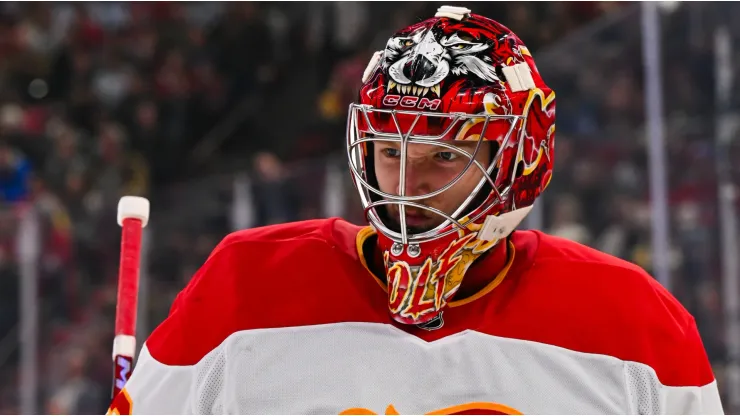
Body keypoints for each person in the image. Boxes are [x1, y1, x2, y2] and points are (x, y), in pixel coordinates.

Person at [107, 6, 723, 415]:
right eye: (389, 151)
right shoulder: (245, 284)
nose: (407, 185)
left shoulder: (638, 329)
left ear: (518, 161)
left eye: (445, 156)